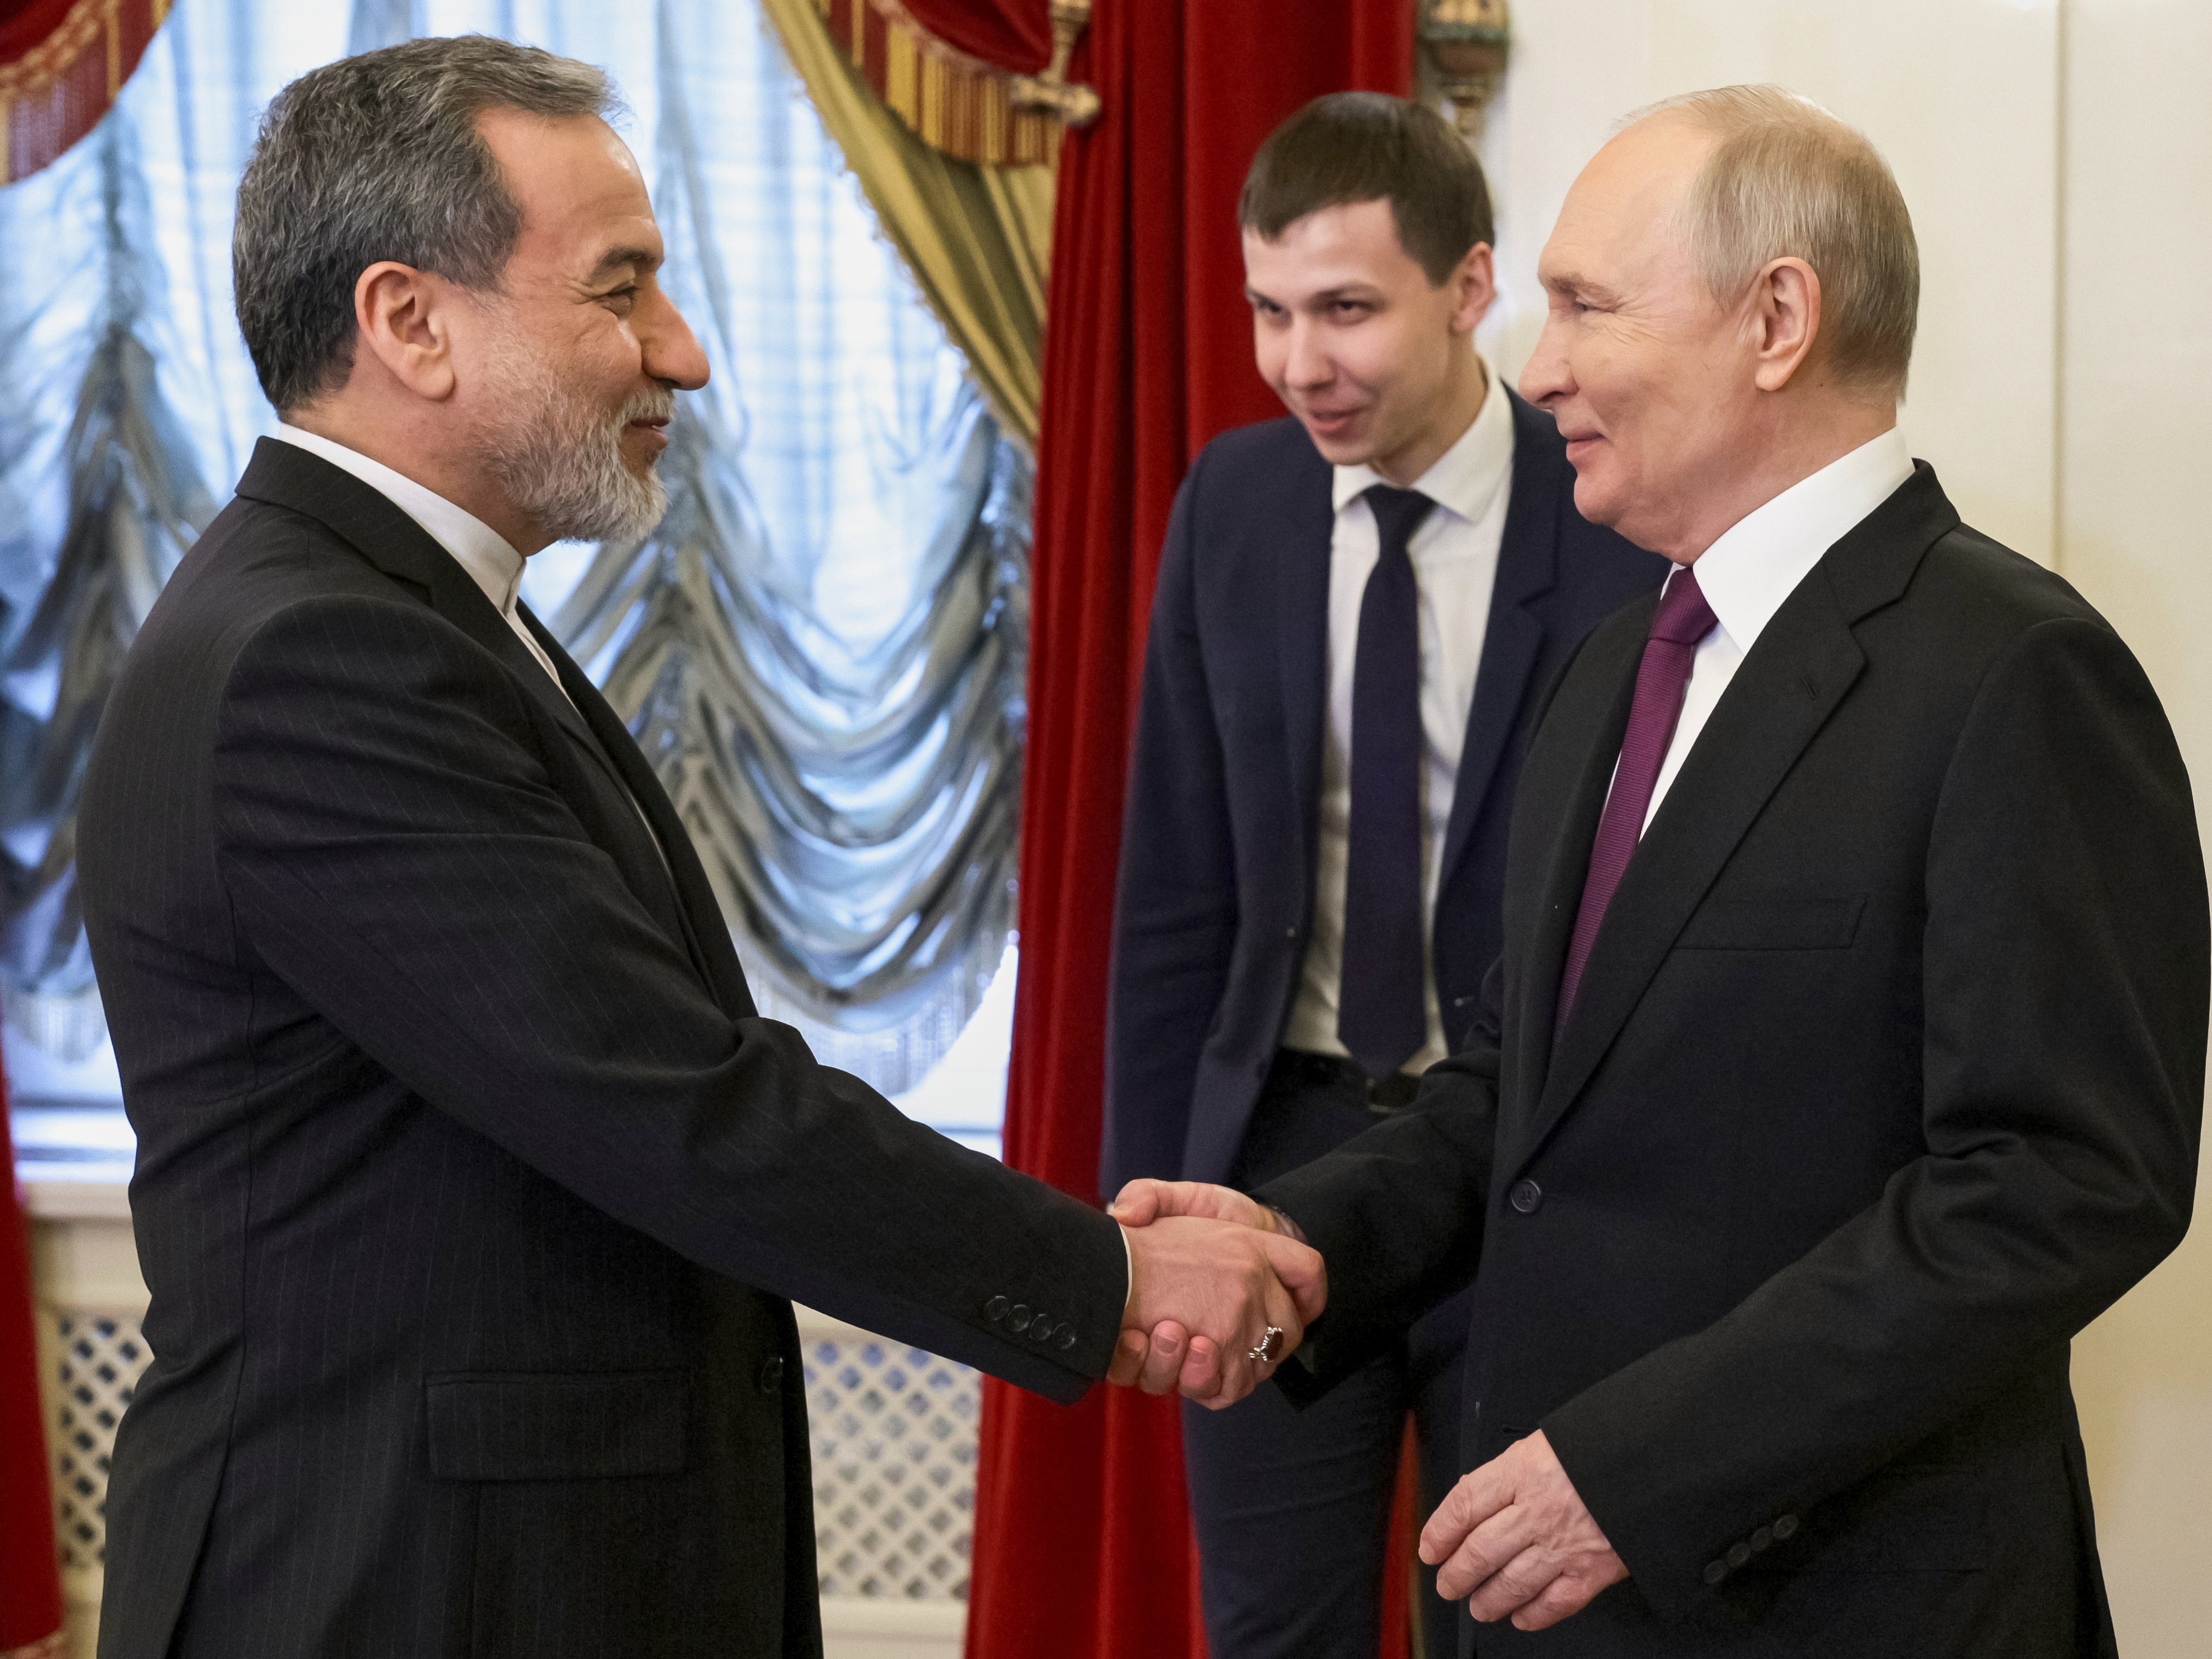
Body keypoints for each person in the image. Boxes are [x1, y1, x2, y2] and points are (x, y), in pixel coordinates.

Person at [74, 38, 1317, 1659]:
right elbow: (664, 1095)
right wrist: (1104, 1279)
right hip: (395, 1585)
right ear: (408, 323)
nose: (684, 352)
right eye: (620, 290)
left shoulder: (399, 614)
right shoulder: (322, 658)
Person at [1113, 84, 2207, 1657]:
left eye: (1582, 305)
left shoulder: (2015, 672)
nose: (1536, 365)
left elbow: (2055, 1188)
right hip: (1558, 1594)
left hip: (1840, 1598)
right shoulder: (1625, 658)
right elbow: (1519, 1087)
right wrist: (1298, 1247)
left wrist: (1636, 1472)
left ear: (1775, 319)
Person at [1102, 93, 1662, 1659]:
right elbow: (1174, 886)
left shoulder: (1614, 507)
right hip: (1275, 1165)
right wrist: (1139, 1217)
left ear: (1469, 287)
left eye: (1345, 310)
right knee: (1272, 1630)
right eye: (1269, 313)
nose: (1298, 365)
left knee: (1513, 1628)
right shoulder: (1234, 502)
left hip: (1529, 1169)